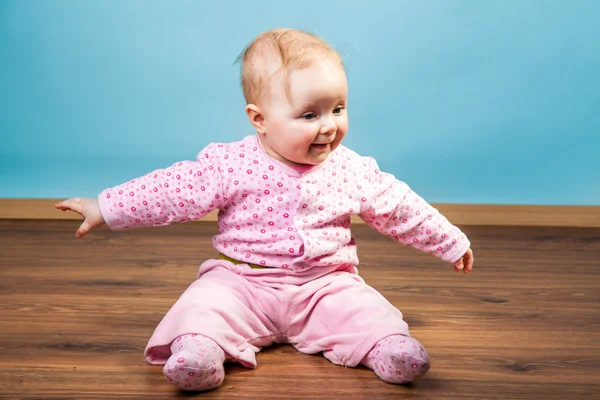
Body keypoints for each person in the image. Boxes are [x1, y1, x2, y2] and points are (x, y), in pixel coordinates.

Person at [56, 28, 474, 391]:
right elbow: (170, 191)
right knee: (204, 305)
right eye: (309, 114)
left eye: (338, 109)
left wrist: (449, 241)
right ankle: (200, 351)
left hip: (323, 285)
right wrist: (106, 206)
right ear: (259, 119)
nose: (329, 125)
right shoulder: (230, 165)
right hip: (243, 282)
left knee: (364, 309)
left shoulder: (352, 169)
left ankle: (387, 347)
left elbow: (398, 207)